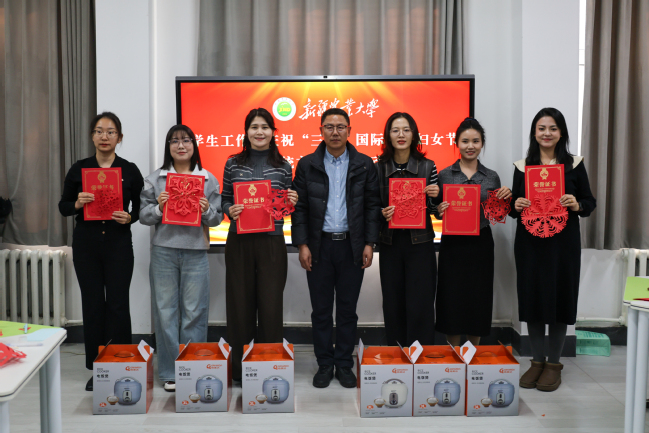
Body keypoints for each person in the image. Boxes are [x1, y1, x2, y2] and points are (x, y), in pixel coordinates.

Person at [292, 107, 381, 388]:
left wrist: (369, 243)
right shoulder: (307, 164)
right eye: (329, 127)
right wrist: (302, 244)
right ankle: (324, 364)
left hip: (352, 247)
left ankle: (343, 363)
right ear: (320, 130)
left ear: (349, 131)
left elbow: (372, 207)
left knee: (346, 310)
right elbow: (300, 208)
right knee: (320, 310)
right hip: (319, 247)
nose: (335, 132)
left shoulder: (364, 164)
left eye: (340, 127)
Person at [510, 108, 596, 392]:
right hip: (530, 244)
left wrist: (577, 204)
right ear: (534, 132)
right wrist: (516, 204)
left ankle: (554, 364)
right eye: (541, 128)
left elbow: (589, 202)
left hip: (563, 244)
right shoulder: (522, 166)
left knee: (560, 298)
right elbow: (513, 208)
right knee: (533, 299)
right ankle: (536, 361)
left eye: (553, 128)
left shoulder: (574, 164)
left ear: (562, 133)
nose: (546, 133)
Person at [58, 112, 144, 391]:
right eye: (99, 131)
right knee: (93, 305)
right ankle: (98, 369)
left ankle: (120, 364)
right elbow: (63, 206)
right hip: (87, 245)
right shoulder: (79, 169)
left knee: (118, 304)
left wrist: (130, 217)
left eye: (110, 132)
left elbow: (141, 208)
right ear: (92, 136)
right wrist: (77, 204)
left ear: (120, 137)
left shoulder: (129, 170)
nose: (104, 136)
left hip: (119, 244)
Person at [139, 125, 223, 392]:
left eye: (186, 140)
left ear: (194, 145)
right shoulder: (155, 179)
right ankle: (169, 372)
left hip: (196, 252)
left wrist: (207, 210)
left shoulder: (207, 179)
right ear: (169, 147)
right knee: (165, 312)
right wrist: (158, 207)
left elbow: (218, 219)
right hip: (163, 252)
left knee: (195, 313)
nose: (181, 145)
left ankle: (192, 367)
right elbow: (143, 216)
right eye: (174, 141)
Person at [222, 108, 298, 381]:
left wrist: (291, 201)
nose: (259, 132)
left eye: (265, 127)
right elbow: (225, 198)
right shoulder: (233, 163)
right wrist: (229, 209)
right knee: (239, 305)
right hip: (239, 241)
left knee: (270, 305)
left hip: (271, 242)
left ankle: (268, 368)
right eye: (254, 127)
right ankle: (240, 370)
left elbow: (284, 207)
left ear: (273, 132)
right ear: (246, 132)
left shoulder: (284, 166)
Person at [434, 118, 512, 348]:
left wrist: (506, 198)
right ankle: (454, 351)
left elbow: (497, 214)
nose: (470, 146)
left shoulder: (491, 177)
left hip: (481, 242)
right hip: (452, 244)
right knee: (451, 296)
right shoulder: (445, 175)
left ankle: (472, 352)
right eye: (465, 141)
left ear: (482, 144)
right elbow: (437, 211)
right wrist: (439, 210)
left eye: (475, 141)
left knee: (478, 296)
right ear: (456, 143)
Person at [376, 112, 439, 347]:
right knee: (393, 302)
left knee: (421, 301)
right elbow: (370, 205)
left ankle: (420, 355)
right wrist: (381, 213)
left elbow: (436, 211)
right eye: (395, 130)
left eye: (406, 130)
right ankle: (397, 353)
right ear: (388, 135)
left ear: (414, 135)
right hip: (390, 243)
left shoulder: (428, 166)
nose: (401, 135)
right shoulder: (378, 168)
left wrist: (436, 197)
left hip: (420, 243)